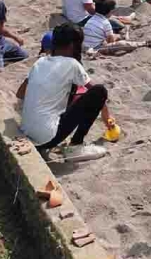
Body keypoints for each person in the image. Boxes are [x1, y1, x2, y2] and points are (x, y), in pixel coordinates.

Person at [17, 23, 111, 162]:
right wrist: (106, 115)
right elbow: (95, 93)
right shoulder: (72, 64)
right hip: (47, 138)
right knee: (100, 91)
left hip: (27, 131)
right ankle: (76, 145)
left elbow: (20, 94)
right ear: (73, 45)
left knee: (70, 95)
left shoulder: (40, 62)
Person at [83, 0, 151, 56]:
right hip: (96, 49)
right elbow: (110, 41)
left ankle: (123, 36)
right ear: (110, 12)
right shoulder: (105, 23)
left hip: (86, 46)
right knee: (121, 44)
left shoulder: (91, 19)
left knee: (116, 35)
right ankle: (145, 43)